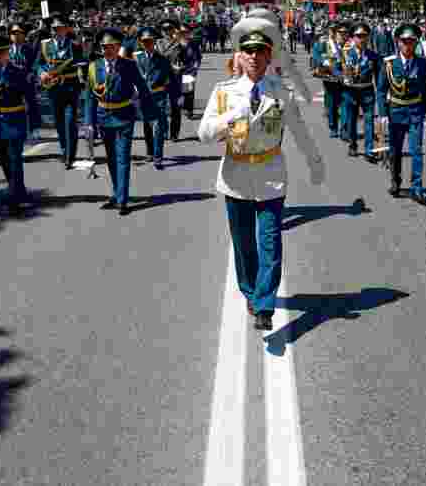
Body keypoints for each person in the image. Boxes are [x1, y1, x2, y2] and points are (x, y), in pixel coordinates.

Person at [197, 21, 324, 331]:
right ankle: (251, 292)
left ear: (269, 58)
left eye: (260, 52)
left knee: (270, 241)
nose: (253, 56)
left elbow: (297, 131)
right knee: (243, 245)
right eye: (248, 51)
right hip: (236, 175)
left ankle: (265, 305)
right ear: (240, 56)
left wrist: (313, 160)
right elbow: (203, 134)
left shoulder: (281, 93)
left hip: (270, 175)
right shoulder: (224, 92)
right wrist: (231, 116)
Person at [83, 29, 155, 215]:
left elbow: (142, 88)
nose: (108, 50)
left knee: (122, 158)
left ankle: (122, 200)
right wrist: (88, 122)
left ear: (118, 47)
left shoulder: (128, 65)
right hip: (103, 117)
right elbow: (90, 96)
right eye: (104, 47)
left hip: (123, 116)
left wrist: (150, 114)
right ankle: (117, 193)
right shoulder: (93, 67)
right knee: (111, 159)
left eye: (111, 46)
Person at [0, 34, 41, 214]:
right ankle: (19, 190)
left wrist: (35, 123)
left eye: (1, 53)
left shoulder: (18, 72)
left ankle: (14, 199)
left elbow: (30, 98)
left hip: (14, 120)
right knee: (3, 159)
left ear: (7, 53)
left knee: (14, 159)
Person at [377, 23, 426, 205]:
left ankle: (417, 188)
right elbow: (381, 89)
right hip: (396, 111)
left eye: (412, 41)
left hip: (415, 111)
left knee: (417, 151)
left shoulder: (422, 63)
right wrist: (383, 113)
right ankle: (396, 181)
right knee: (395, 150)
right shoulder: (389, 63)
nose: (408, 45)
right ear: (398, 43)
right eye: (405, 41)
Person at [36, 16, 85, 169]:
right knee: (58, 122)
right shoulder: (44, 45)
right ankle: (65, 148)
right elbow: (38, 64)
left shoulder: (74, 45)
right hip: (53, 88)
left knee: (70, 121)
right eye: (55, 29)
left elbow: (82, 63)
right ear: (51, 31)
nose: (58, 32)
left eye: (61, 28)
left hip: (71, 87)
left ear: (66, 29)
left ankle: (70, 156)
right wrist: (41, 73)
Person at [135, 27, 174, 169]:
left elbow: (169, 78)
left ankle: (158, 157)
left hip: (158, 96)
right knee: (147, 125)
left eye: (150, 41)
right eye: (145, 42)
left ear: (154, 42)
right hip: (144, 97)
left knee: (157, 126)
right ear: (140, 43)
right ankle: (150, 152)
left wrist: (176, 96)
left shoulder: (162, 59)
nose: (147, 44)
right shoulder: (137, 58)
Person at [343, 23, 380, 160]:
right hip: (350, 92)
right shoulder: (346, 53)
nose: (362, 39)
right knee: (352, 121)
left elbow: (379, 75)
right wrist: (342, 77)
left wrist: (383, 92)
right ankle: (353, 144)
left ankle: (369, 149)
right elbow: (336, 68)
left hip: (367, 91)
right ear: (353, 38)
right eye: (359, 36)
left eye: (364, 36)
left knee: (369, 120)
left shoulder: (373, 56)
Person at [311, 22, 347, 138]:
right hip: (330, 78)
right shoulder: (325, 43)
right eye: (340, 33)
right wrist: (323, 62)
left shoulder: (348, 44)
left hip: (345, 78)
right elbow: (316, 54)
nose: (342, 35)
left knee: (346, 103)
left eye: (344, 33)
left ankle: (345, 129)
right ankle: (333, 127)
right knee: (332, 104)